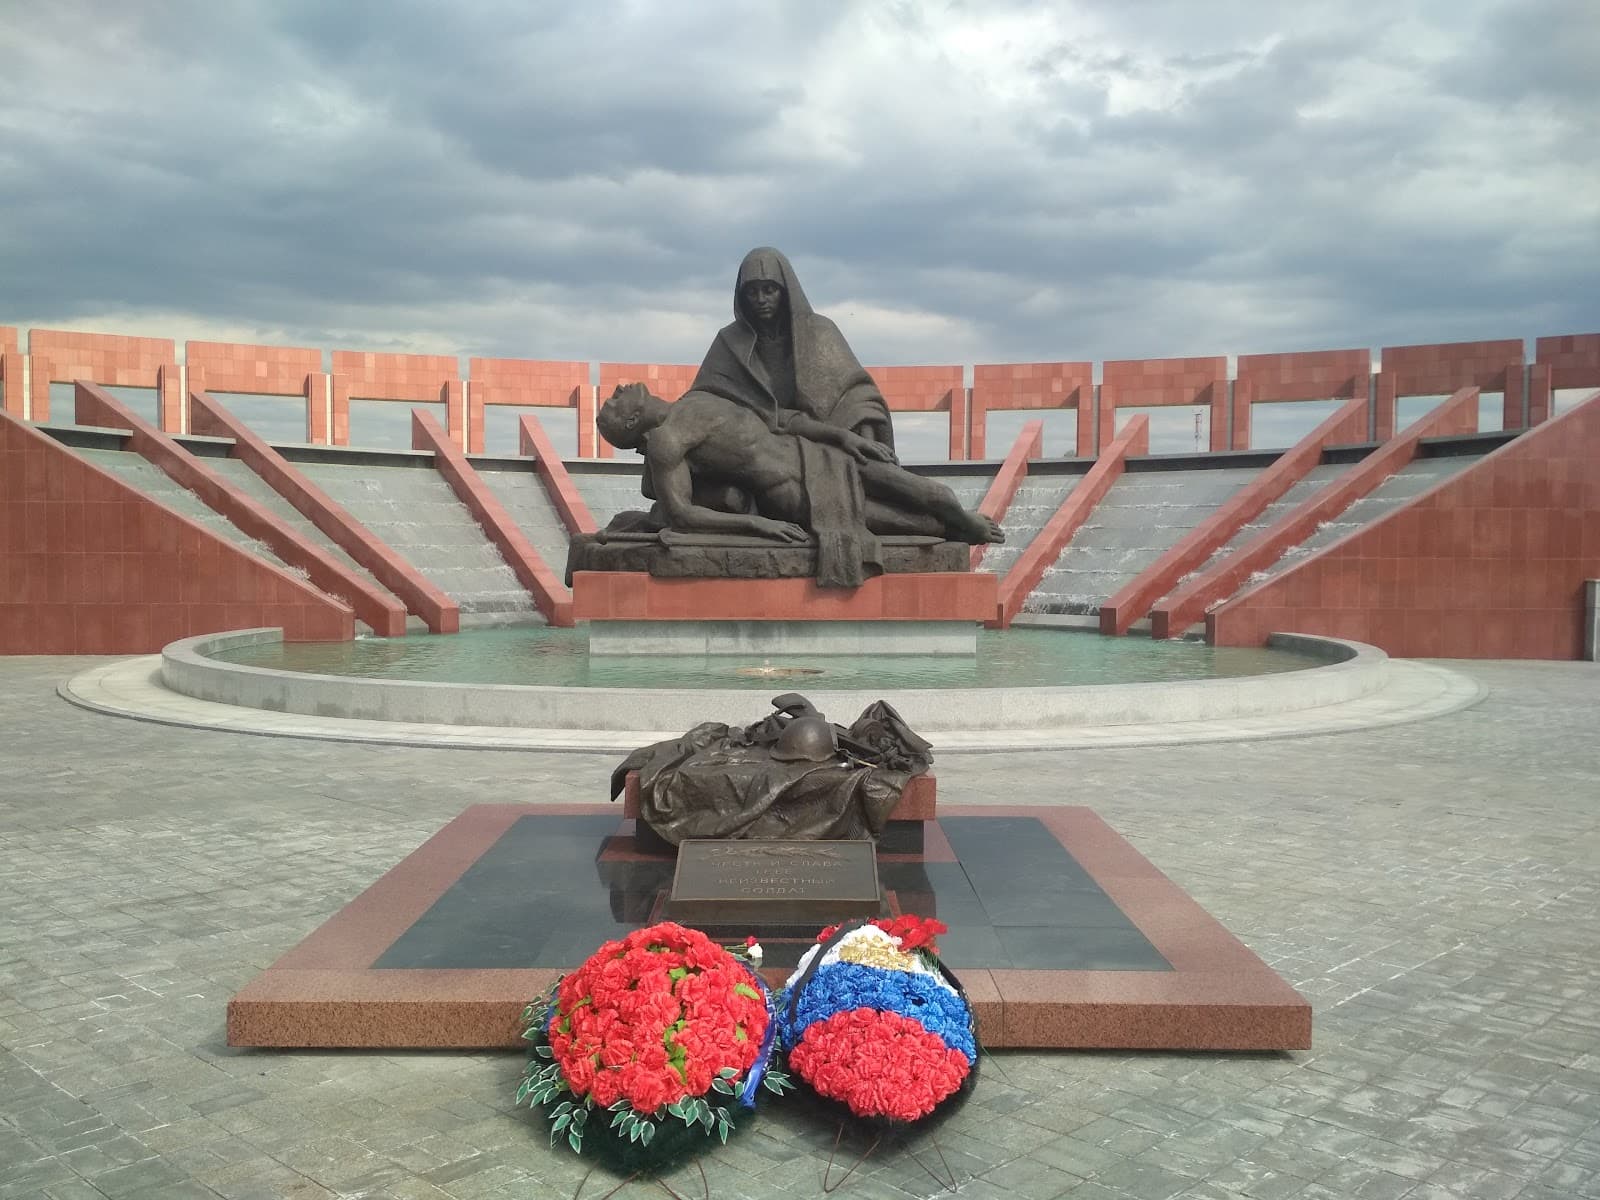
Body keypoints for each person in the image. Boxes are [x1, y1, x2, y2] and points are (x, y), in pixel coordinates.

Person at [595, 382, 1001, 587]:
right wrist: (759, 525)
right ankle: (959, 530)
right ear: (631, 423)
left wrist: (846, 437)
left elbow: (781, 420)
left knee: (938, 495)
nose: (615, 391)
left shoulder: (703, 394)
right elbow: (682, 513)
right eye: (612, 404)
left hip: (823, 456)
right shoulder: (667, 443)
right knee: (926, 525)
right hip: (796, 493)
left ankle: (967, 523)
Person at [689, 247, 897, 455]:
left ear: (786, 291)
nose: (761, 299)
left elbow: (859, 397)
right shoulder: (730, 341)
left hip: (823, 437)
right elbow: (702, 399)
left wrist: (867, 451)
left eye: (769, 290)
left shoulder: (820, 332)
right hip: (758, 445)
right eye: (752, 292)